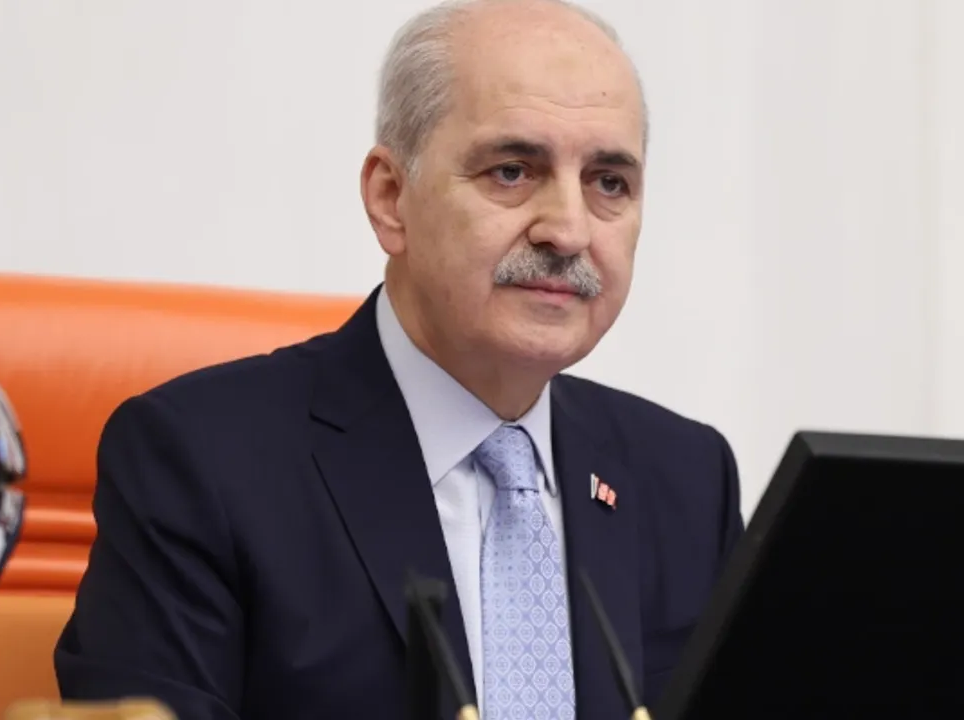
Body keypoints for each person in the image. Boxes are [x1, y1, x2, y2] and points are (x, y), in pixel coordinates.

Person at [54, 0, 743, 717]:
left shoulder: (688, 481)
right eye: (512, 171)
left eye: (609, 183)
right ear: (391, 198)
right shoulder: (200, 463)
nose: (568, 230)